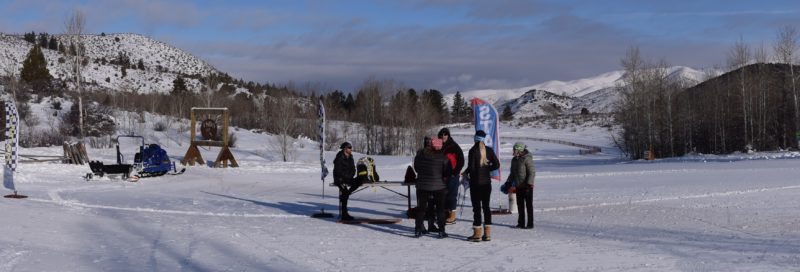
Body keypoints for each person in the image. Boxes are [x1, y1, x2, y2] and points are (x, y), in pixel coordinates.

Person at [463, 130, 500, 242]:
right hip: (486, 184)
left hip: (476, 184)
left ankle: (477, 234)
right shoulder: (489, 150)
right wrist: (487, 169)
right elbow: (497, 164)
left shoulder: (473, 150)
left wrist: (465, 173)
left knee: (477, 208)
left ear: (475, 138)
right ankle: (487, 234)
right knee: (486, 207)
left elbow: (472, 168)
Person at [413, 137, 451, 238]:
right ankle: (441, 231)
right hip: (439, 186)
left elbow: (416, 168)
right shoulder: (443, 157)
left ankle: (418, 230)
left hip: (422, 186)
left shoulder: (419, 155)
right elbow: (446, 172)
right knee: (440, 209)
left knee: (421, 209)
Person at [438, 128, 464, 225]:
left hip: (452, 176)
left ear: (448, 136)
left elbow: (461, 160)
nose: (443, 136)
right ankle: (445, 214)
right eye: (441, 134)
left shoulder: (454, 146)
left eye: (445, 134)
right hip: (441, 176)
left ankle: (452, 216)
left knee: (452, 195)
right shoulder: (438, 146)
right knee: (443, 196)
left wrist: (455, 172)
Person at [508, 142, 535, 229]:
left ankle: (530, 224)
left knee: (528, 205)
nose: (513, 151)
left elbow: (532, 172)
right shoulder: (514, 160)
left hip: (527, 186)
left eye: (514, 149)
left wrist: (529, 184)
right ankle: (521, 223)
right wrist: (508, 182)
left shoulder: (527, 158)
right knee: (520, 205)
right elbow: (512, 173)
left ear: (519, 150)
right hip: (518, 185)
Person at [333, 141, 360, 221]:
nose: (351, 149)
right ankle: (344, 214)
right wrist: (346, 177)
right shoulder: (339, 157)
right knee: (344, 192)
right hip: (339, 179)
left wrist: (350, 176)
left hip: (348, 178)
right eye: (349, 148)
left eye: (351, 147)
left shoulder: (351, 157)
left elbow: (353, 169)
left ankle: (348, 192)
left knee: (359, 181)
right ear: (345, 149)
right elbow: (338, 171)